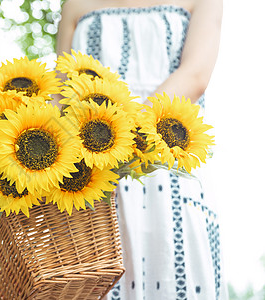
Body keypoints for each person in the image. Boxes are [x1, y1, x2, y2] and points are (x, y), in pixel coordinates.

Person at [55, 0, 227, 299]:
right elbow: (61, 92)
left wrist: (120, 130)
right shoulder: (74, 5)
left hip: (167, 159)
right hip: (91, 168)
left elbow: (196, 75)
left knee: (175, 268)